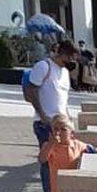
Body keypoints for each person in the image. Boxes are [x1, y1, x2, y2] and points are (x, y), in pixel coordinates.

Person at [24, 39, 77, 175]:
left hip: (62, 123)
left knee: (61, 160)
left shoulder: (65, 72)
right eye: (71, 57)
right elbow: (32, 90)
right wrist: (42, 115)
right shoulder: (44, 66)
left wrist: (69, 120)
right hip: (45, 122)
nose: (72, 61)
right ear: (62, 54)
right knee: (48, 161)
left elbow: (63, 98)